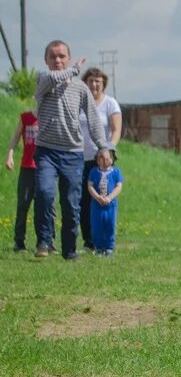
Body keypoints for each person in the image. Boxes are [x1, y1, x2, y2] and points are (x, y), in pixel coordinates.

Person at [33, 40, 109, 260]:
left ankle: (69, 250)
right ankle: (44, 241)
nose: (57, 60)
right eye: (53, 57)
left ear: (68, 57)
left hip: (72, 153)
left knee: (70, 202)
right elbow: (56, 77)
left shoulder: (80, 88)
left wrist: (102, 146)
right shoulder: (43, 80)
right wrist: (74, 69)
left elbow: (93, 119)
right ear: (46, 61)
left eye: (62, 56)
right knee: (45, 193)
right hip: (46, 150)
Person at [79, 67, 122, 252]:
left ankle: (106, 242)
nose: (94, 84)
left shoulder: (110, 103)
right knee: (84, 201)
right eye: (90, 81)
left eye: (98, 81)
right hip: (81, 157)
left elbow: (116, 130)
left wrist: (107, 151)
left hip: (103, 160)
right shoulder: (80, 102)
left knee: (104, 200)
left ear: (103, 83)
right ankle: (89, 241)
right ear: (85, 83)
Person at [5, 108, 39, 252]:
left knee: (45, 206)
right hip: (27, 167)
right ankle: (19, 242)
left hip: (44, 168)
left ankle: (46, 241)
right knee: (23, 204)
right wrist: (10, 155)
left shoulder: (50, 115)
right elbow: (15, 137)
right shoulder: (26, 117)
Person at [85, 147, 122, 256]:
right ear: (98, 160)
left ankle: (109, 247)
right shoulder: (94, 172)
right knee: (97, 225)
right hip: (97, 205)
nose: (106, 161)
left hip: (111, 205)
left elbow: (119, 186)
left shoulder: (116, 172)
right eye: (102, 158)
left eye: (108, 158)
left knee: (110, 224)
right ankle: (99, 247)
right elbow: (90, 185)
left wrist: (110, 197)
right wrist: (97, 197)